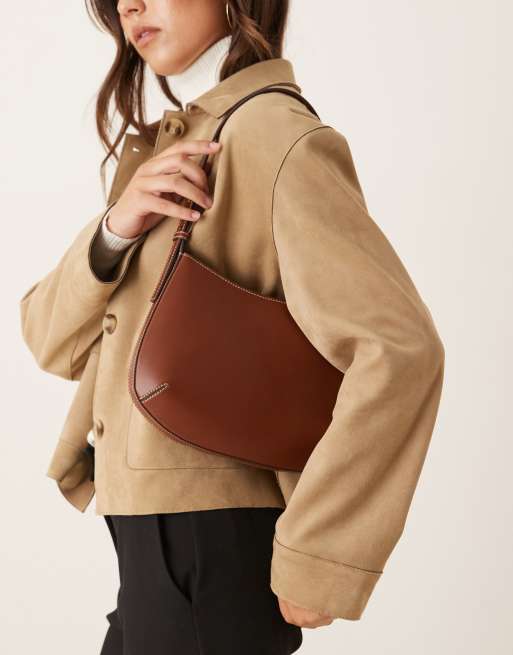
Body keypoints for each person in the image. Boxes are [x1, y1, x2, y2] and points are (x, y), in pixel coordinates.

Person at [18, 1, 445, 653]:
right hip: (149, 549)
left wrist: (322, 552)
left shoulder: (271, 135)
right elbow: (49, 340)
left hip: (209, 546)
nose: (129, 5)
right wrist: (114, 230)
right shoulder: (176, 147)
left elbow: (398, 349)